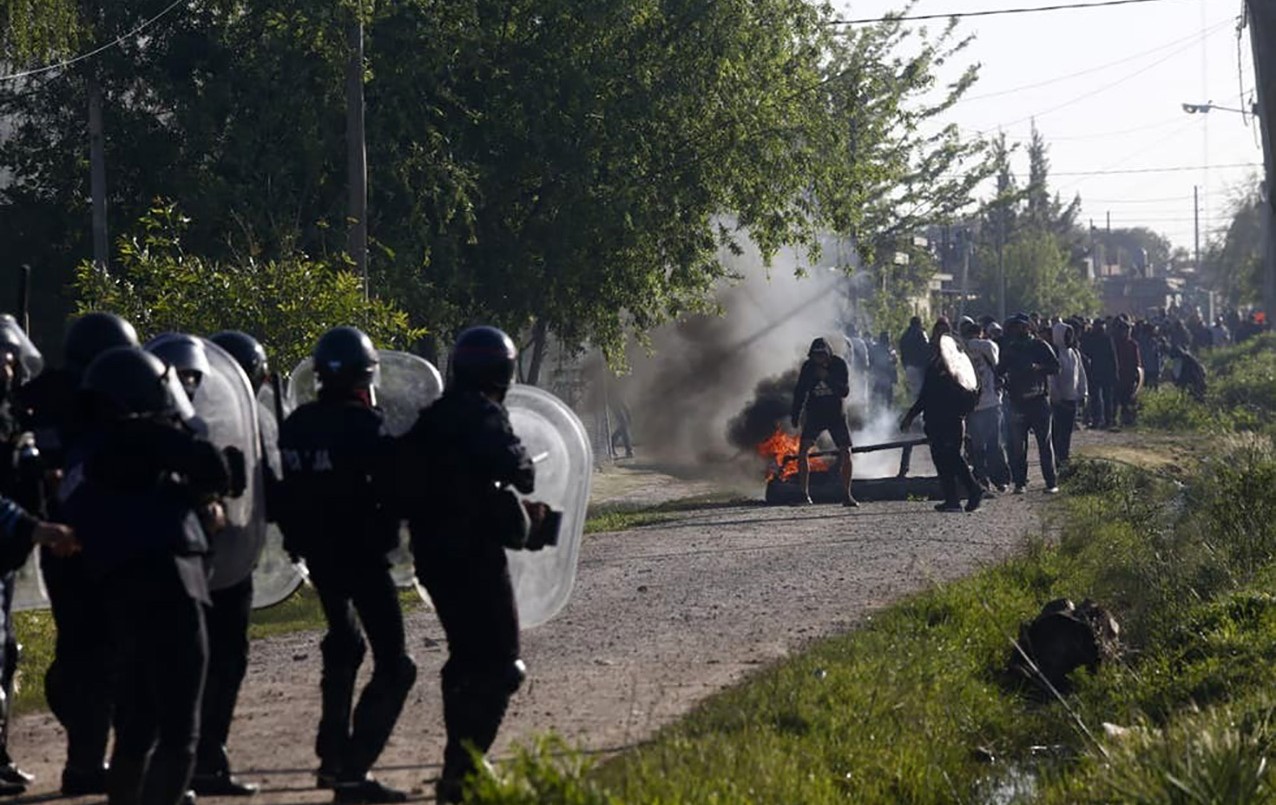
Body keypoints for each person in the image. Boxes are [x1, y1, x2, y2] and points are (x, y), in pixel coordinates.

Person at [64, 346, 233, 805]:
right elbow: (213, 465)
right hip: (174, 583)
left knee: (137, 721)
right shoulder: (146, 435)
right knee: (180, 729)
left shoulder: (86, 448)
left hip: (117, 589)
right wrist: (196, 493)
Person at [397, 326, 544, 803]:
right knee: (503, 666)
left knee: (463, 659)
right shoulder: (485, 415)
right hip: (477, 557)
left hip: (432, 560)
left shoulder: (431, 418)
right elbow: (522, 472)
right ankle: (466, 767)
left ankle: (456, 771)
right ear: (504, 373)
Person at [276, 327, 415, 804]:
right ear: (364, 377)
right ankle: (353, 772)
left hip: (319, 560)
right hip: (363, 559)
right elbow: (395, 490)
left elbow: (286, 493)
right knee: (395, 665)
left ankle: (332, 757)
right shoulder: (366, 426)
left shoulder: (296, 425)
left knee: (344, 643)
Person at [15, 312, 138, 795]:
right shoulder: (101, 398)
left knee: (80, 649)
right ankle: (91, 763)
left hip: (56, 543)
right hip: (97, 540)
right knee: (102, 654)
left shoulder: (37, 396)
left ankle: (86, 760)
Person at [184, 331, 272, 797]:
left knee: (201, 659)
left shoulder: (191, 420)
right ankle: (203, 758)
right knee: (220, 660)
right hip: (215, 558)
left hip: (208, 558)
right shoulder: (206, 427)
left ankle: (194, 757)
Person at [900, 333, 983, 513]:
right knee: (941, 459)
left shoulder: (957, 369)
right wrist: (911, 415)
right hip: (934, 420)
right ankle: (952, 499)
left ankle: (974, 489)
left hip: (951, 419)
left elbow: (970, 390)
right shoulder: (933, 367)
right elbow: (925, 396)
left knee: (953, 457)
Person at [789, 338, 856, 507]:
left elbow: (844, 391)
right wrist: (795, 414)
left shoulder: (839, 365)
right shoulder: (808, 367)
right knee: (803, 450)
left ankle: (847, 495)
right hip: (815, 414)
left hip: (836, 414)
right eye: (815, 355)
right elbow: (800, 391)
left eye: (822, 355)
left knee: (846, 451)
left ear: (828, 354)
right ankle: (804, 494)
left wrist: (827, 377)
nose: (819, 359)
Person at [997, 314, 1060, 494]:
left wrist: (1039, 368)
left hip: (1039, 400)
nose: (1020, 329)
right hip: (1017, 402)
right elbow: (999, 370)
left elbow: (1056, 367)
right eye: (1016, 326)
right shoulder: (1011, 349)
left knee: (1044, 444)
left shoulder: (1040, 346)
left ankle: (1051, 482)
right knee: (1018, 446)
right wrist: (1003, 380)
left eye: (1023, 326)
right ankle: (1020, 482)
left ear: (1029, 327)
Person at [960, 319, 1009, 492]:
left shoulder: (960, 350)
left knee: (977, 446)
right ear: (981, 333)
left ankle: (982, 480)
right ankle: (1000, 480)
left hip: (972, 406)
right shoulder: (989, 346)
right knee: (994, 443)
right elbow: (998, 366)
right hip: (991, 402)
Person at [1049, 323, 1088, 469]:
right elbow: (1051, 378)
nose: (1069, 338)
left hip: (1072, 399)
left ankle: (1064, 460)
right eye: (1067, 335)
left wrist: (1083, 393)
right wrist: (1055, 396)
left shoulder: (1074, 353)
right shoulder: (1054, 353)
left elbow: (1081, 374)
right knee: (1056, 434)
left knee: (1066, 433)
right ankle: (1057, 461)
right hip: (1058, 402)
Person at [1080, 319, 1117, 430]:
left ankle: (1104, 420)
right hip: (1097, 371)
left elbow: (1113, 356)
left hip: (1101, 371)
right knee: (1099, 397)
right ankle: (1101, 420)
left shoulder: (1105, 338)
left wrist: (1115, 372)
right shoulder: (1100, 338)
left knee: (1104, 397)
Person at [1112, 320, 1143, 428]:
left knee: (1127, 399)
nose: (1126, 332)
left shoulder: (1133, 344)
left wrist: (1137, 374)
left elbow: (1137, 361)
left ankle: (1126, 420)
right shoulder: (1115, 343)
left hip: (1129, 376)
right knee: (1116, 398)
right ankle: (1113, 419)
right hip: (1118, 375)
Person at [898, 317, 930, 401]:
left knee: (913, 391)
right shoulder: (921, 333)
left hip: (908, 367)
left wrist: (904, 365)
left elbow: (901, 350)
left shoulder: (905, 335)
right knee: (921, 391)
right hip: (920, 367)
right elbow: (927, 348)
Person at [868, 331, 898, 413]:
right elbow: (895, 362)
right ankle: (885, 413)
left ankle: (875, 414)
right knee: (887, 400)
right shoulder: (890, 350)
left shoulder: (875, 348)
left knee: (876, 398)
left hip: (878, 377)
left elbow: (870, 361)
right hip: (885, 378)